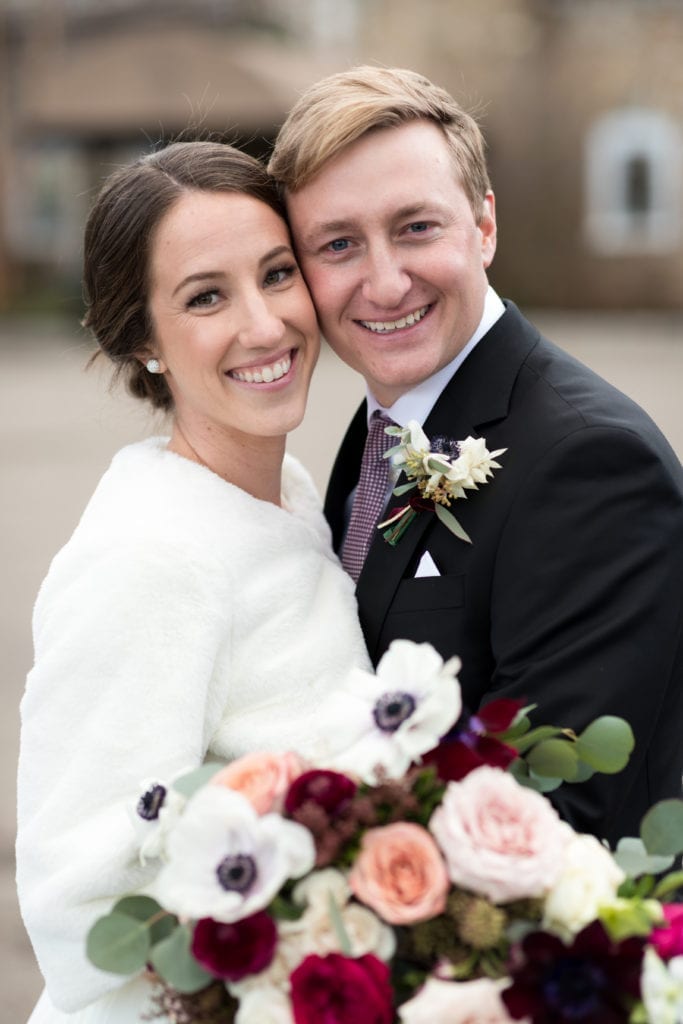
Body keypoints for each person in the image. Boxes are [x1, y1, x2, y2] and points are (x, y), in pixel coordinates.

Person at [268, 65, 683, 846]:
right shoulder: (382, 427)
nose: (384, 284)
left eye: (416, 228)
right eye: (338, 245)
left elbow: (548, 808)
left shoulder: (591, 463)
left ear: (484, 225)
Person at [15, 141, 371, 1023]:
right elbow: (85, 905)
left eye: (277, 274)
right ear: (141, 338)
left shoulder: (283, 495)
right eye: (207, 296)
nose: (264, 324)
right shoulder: (150, 557)